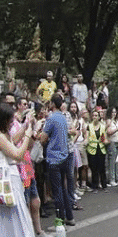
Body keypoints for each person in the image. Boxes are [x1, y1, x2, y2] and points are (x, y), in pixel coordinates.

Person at [0, 104, 50, 237]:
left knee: (12, 227)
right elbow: (17, 154)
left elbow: (13, 139)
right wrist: (27, 134)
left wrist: (25, 125)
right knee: (22, 225)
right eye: (10, 120)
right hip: (10, 185)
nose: (12, 123)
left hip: (8, 185)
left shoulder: (1, 134)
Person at [38, 94, 77, 228]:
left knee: (57, 191)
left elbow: (43, 138)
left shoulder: (51, 118)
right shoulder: (63, 117)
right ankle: (69, 216)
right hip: (65, 155)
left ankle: (60, 220)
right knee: (64, 188)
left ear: (52, 104)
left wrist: (42, 137)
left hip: (54, 158)